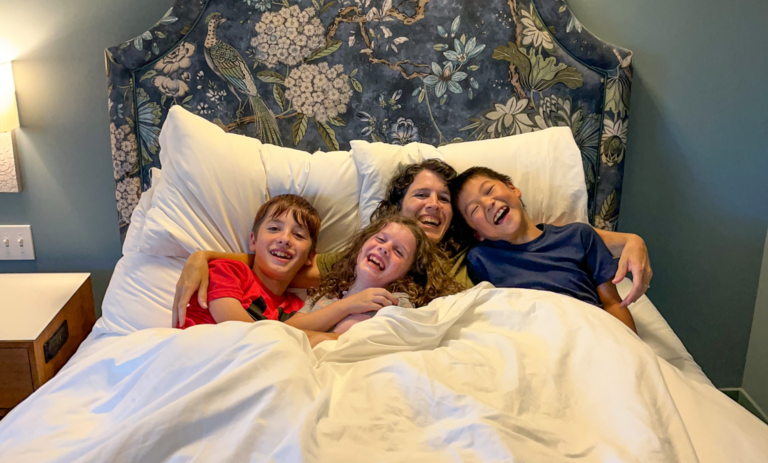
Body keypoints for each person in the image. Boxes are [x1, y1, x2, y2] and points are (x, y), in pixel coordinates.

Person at [172, 160, 653, 326]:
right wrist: (208, 256)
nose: (433, 205)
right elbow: (282, 266)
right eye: (421, 194)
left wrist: (629, 237)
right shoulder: (367, 254)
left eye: (444, 199)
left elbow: (546, 235)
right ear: (397, 209)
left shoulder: (477, 251)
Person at [451, 167, 636, 333]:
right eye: (474, 209)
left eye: (489, 190)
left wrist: (635, 353)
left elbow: (612, 303)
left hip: (590, 332)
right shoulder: (480, 259)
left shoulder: (578, 236)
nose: (487, 203)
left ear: (513, 188)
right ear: (477, 234)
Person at [288, 214, 462, 338]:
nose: (384, 248)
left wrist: (312, 337)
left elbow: (351, 345)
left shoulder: (394, 303)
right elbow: (284, 331)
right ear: (361, 245)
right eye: (380, 239)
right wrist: (347, 305)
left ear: (407, 273)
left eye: (398, 251)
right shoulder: (327, 293)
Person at [177, 193, 322, 332]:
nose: (284, 239)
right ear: (253, 241)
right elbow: (243, 332)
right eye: (274, 228)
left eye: (298, 235)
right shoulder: (226, 271)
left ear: (310, 256)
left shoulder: (296, 307)